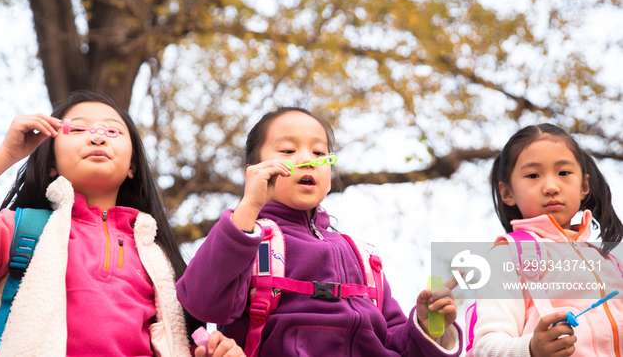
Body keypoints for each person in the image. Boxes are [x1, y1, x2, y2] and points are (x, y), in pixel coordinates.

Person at [0, 90, 243, 357]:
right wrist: (7, 154)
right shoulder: (21, 232)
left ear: (132, 166)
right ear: (50, 162)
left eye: (113, 131)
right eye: (77, 130)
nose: (97, 137)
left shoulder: (164, 266)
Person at [176, 107, 462, 356]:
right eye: (288, 151)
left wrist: (425, 327)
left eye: (319, 152)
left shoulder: (363, 256)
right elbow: (202, 302)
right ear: (254, 170)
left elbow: (394, 341)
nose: (307, 160)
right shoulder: (246, 241)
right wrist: (249, 205)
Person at [472, 123, 623, 356]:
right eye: (533, 175)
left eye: (564, 173)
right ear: (507, 193)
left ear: (584, 186)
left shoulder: (611, 262)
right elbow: (485, 346)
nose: (551, 187)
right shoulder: (507, 254)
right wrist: (531, 349)